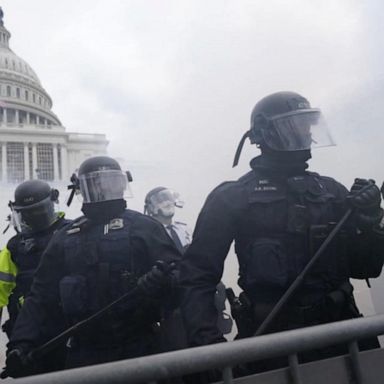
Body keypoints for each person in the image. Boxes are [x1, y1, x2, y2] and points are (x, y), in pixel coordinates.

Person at [179, 91, 384, 368]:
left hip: (343, 334)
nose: (305, 135)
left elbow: (365, 268)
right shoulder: (233, 197)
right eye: (293, 127)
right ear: (264, 133)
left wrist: (370, 219)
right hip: (272, 341)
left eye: (306, 126)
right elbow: (198, 276)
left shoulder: (331, 191)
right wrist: (208, 349)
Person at [4, 156, 181, 378]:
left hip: (141, 346)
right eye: (95, 184)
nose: (102, 190)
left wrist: (163, 283)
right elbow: (40, 297)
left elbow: (182, 279)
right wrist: (20, 344)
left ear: (122, 184)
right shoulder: (65, 237)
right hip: (84, 352)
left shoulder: (144, 228)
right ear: (81, 190)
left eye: (110, 182)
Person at [0, 180, 71, 373]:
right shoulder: (13, 248)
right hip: (27, 344)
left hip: (72, 336)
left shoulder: (75, 234)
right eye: (26, 212)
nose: (32, 216)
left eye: (37, 210)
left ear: (53, 202)